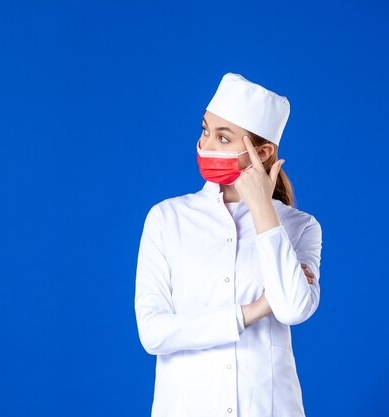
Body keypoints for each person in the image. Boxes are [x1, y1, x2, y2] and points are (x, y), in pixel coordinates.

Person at [134, 72, 322, 417]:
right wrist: (253, 310)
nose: (206, 145)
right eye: (206, 130)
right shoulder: (167, 218)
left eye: (223, 138)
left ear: (262, 152)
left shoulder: (299, 226)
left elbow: (294, 309)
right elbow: (153, 332)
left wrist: (263, 209)